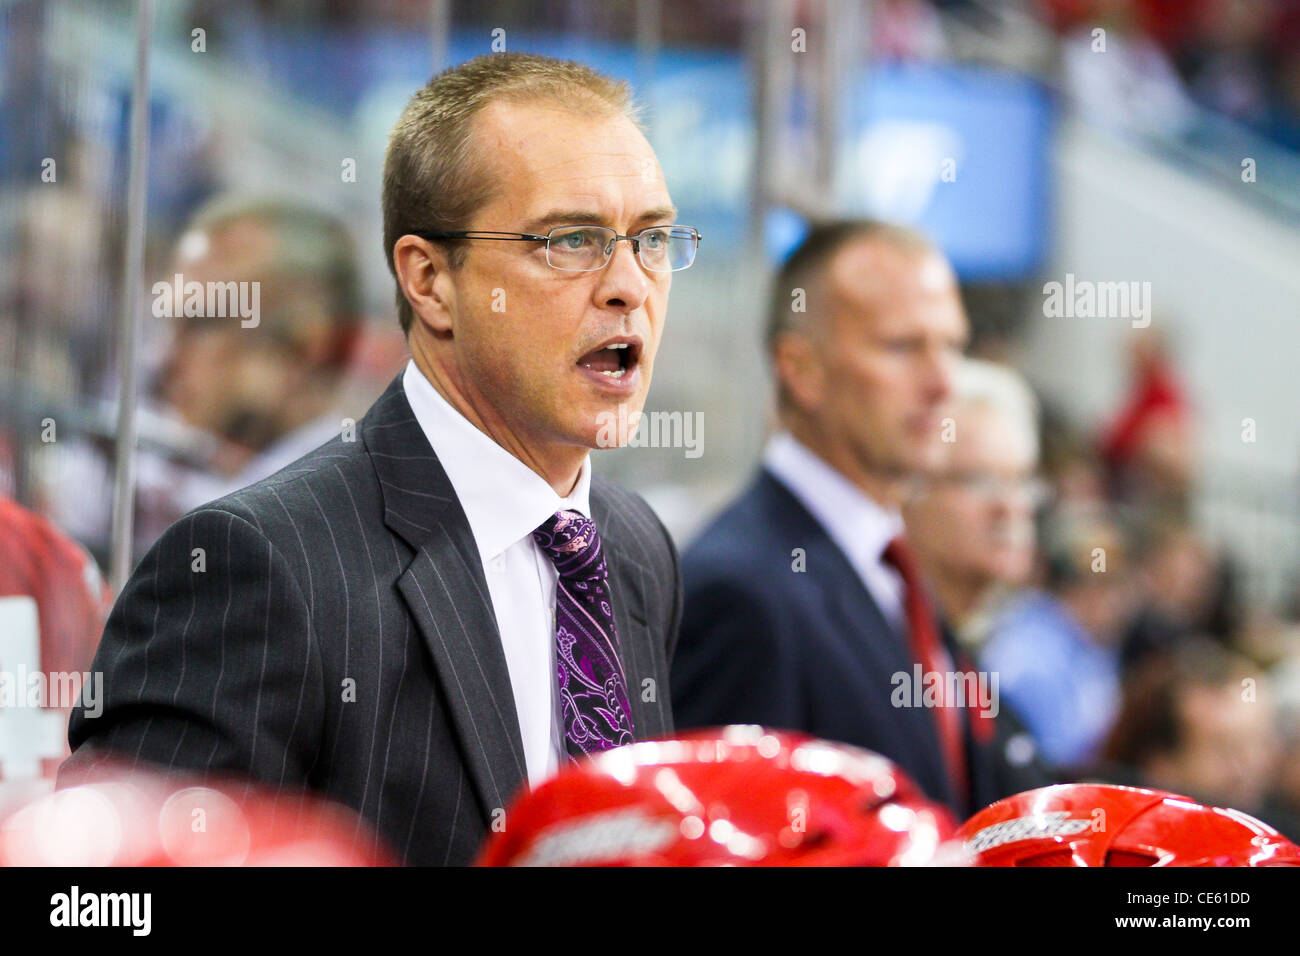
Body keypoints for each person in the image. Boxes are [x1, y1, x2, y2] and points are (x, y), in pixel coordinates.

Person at [61, 52, 696, 866]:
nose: (629, 286)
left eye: (651, 239)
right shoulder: (256, 566)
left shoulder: (636, 548)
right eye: (571, 240)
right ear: (430, 281)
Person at [671, 219, 1004, 818]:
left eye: (952, 346)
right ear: (802, 370)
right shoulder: (743, 593)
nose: (942, 382)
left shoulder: (892, 567)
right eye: (903, 346)